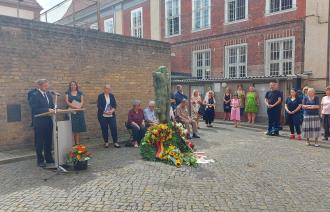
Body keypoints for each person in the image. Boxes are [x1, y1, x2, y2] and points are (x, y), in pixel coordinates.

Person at [29, 79, 55, 167]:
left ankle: (49, 158)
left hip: (48, 121)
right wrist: (47, 110)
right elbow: (34, 109)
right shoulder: (34, 95)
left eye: (47, 85)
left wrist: (54, 109)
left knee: (48, 141)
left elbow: (51, 106)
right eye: (45, 85)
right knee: (39, 142)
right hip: (39, 122)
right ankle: (40, 160)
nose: (47, 87)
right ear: (39, 86)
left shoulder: (49, 94)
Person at [97, 84, 120, 148]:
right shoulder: (100, 96)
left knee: (114, 127)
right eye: (107, 88)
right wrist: (105, 112)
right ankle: (106, 142)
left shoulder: (112, 96)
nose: (108, 90)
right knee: (104, 128)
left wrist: (112, 111)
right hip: (103, 115)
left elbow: (114, 105)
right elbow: (99, 106)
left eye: (109, 88)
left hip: (111, 115)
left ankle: (115, 142)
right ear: (104, 89)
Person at [64, 81, 87, 145]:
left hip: (79, 112)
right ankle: (72, 144)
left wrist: (79, 107)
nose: (73, 86)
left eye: (74, 85)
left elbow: (82, 101)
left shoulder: (80, 93)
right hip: (71, 112)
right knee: (72, 128)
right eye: (71, 85)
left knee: (78, 129)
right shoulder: (67, 93)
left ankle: (77, 144)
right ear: (70, 86)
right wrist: (75, 107)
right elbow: (67, 102)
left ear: (76, 86)